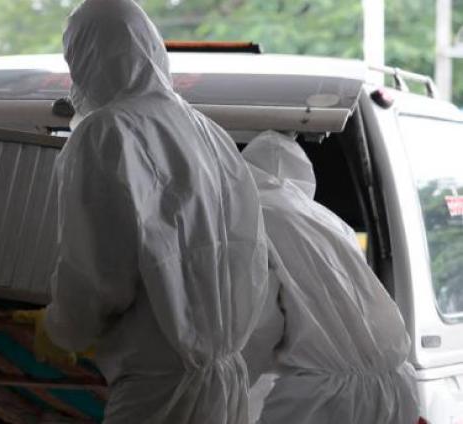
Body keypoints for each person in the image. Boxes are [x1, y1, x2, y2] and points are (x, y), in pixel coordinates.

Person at [35, 0, 269, 422]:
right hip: (224, 378)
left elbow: (98, 273)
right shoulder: (205, 130)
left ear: (88, 55)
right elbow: (248, 249)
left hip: (156, 389)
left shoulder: (106, 131)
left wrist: (61, 328)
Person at [240, 130, 418, 424]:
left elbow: (261, 325)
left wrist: (221, 385)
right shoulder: (329, 220)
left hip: (326, 396)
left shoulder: (256, 219)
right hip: (396, 386)